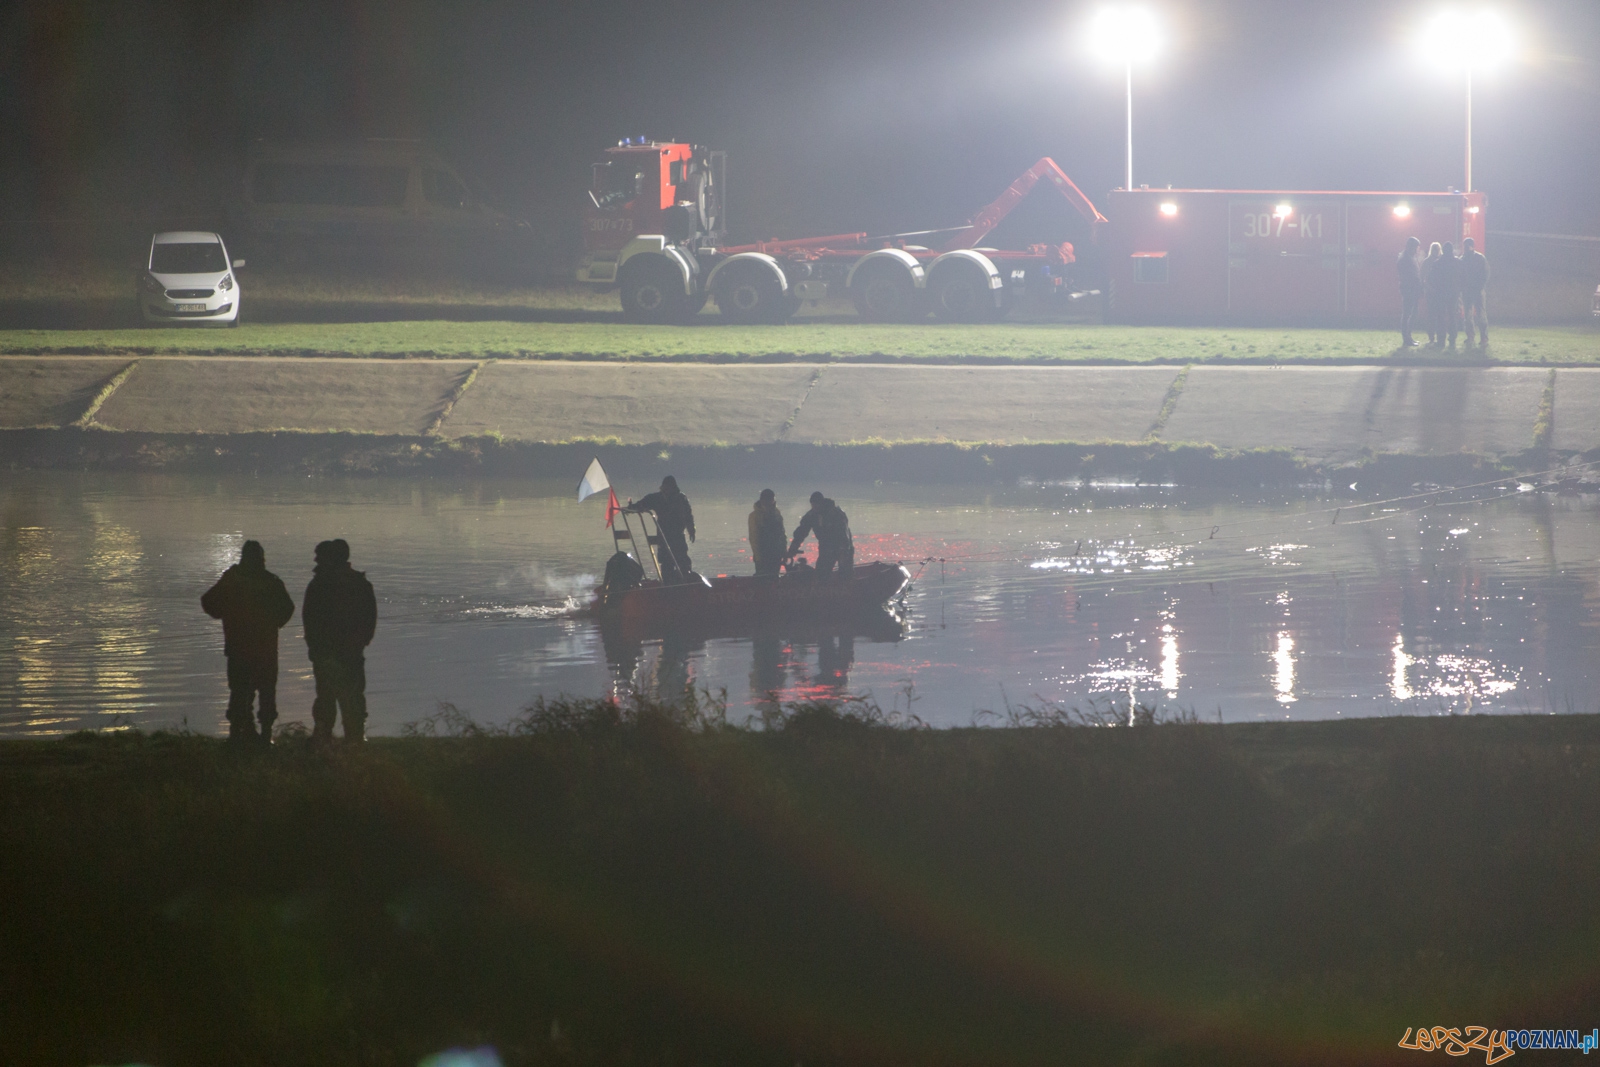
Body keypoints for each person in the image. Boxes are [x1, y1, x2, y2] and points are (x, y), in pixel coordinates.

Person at [201, 540, 294, 745]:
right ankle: (262, 736)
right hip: (263, 648)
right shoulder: (271, 582)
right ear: (261, 559)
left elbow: (208, 602)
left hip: (239, 647)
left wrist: (225, 614)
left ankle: (238, 736)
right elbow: (287, 609)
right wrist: (273, 624)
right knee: (265, 691)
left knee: (241, 691)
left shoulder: (233, 580)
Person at [303, 538, 377, 744]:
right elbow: (370, 618)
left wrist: (315, 646)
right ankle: (354, 737)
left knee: (329, 696)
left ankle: (327, 735)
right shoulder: (359, 584)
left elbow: (309, 619)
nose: (316, 560)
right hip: (347, 650)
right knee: (350, 696)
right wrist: (362, 641)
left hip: (332, 651)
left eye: (320, 557)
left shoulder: (320, 585)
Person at [627, 475, 696, 583]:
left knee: (683, 562)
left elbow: (688, 516)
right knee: (666, 563)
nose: (667, 489)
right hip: (664, 536)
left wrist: (691, 530)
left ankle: (685, 582)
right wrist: (631, 508)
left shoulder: (681, 498)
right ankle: (667, 585)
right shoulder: (657, 498)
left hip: (678, 536)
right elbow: (642, 504)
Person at [787, 491, 854, 581]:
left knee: (845, 573)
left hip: (843, 546)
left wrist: (843, 552)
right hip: (826, 546)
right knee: (821, 573)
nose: (815, 508)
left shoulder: (837, 514)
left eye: (817, 505)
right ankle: (823, 589)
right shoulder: (811, 515)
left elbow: (844, 535)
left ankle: (846, 588)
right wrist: (793, 548)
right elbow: (801, 532)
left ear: (822, 503)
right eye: (813, 506)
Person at [1427, 241, 1461, 348]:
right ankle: (1452, 338)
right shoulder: (1457, 262)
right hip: (1453, 293)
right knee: (1452, 315)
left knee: (1440, 316)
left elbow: (1431, 278)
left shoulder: (1437, 263)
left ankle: (1441, 340)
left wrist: (1434, 289)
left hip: (1440, 293)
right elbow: (1463, 277)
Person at [747, 488, 786, 577]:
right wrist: (759, 557)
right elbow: (754, 538)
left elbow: (782, 534)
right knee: (763, 580)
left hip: (776, 555)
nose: (769, 503)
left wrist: (783, 551)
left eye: (770, 500)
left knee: (773, 578)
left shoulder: (776, 513)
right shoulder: (755, 516)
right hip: (763, 556)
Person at [1459, 237, 1490, 346]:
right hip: (1472, 290)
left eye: (1466, 246)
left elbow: (1485, 275)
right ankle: (1476, 337)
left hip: (1474, 290)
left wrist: (1478, 286)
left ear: (1471, 246)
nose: (1465, 248)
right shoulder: (1478, 258)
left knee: (1476, 314)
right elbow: (1485, 274)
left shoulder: (1465, 259)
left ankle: (1479, 337)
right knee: (1471, 315)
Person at [1396, 236, 1424, 347]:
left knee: (1412, 313)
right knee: (1408, 314)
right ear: (1411, 246)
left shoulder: (1408, 257)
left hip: (1412, 289)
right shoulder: (1405, 259)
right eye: (1417, 247)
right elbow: (1409, 276)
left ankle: (1408, 337)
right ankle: (1406, 338)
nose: (1418, 250)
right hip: (1409, 290)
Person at [1421, 242, 1444, 344]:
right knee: (1432, 315)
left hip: (1438, 292)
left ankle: (1438, 337)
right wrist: (1429, 288)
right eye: (1434, 249)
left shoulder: (1440, 261)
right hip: (1431, 292)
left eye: (1437, 249)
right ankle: (1431, 337)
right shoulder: (1427, 262)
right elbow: (1422, 278)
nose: (1436, 251)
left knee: (1438, 315)